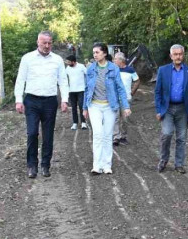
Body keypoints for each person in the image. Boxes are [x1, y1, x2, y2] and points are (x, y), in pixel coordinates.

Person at [14, 31, 69, 179]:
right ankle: (32, 165)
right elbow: (20, 80)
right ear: (38, 42)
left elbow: (63, 80)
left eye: (49, 43)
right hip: (31, 100)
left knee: (48, 135)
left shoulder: (57, 60)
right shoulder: (27, 58)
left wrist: (64, 99)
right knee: (32, 133)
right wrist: (18, 100)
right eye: (44, 43)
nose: (47, 46)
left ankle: (45, 165)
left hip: (50, 101)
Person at [82, 42, 131, 175]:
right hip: (94, 106)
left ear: (104, 53)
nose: (95, 55)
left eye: (97, 52)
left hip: (110, 106)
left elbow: (120, 88)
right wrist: (84, 107)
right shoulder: (91, 68)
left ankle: (107, 165)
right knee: (97, 134)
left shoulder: (113, 68)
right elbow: (86, 89)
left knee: (107, 135)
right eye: (93, 53)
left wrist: (125, 106)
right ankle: (96, 165)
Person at [154, 44, 188, 174]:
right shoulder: (163, 70)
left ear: (183, 55)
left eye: (180, 54)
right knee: (167, 134)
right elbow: (157, 92)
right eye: (175, 54)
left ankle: (179, 164)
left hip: (183, 109)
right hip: (167, 108)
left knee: (181, 138)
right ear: (171, 56)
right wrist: (158, 110)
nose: (178, 57)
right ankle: (163, 160)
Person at [112, 52, 140, 146]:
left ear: (121, 60)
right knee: (115, 118)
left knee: (125, 119)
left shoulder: (130, 70)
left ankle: (123, 137)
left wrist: (132, 92)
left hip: (126, 98)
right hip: (115, 98)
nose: (114, 60)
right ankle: (116, 137)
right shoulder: (113, 70)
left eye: (115, 59)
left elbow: (137, 81)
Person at [65, 54, 88, 130]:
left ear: (73, 61)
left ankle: (83, 122)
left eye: (69, 62)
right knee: (73, 107)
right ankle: (75, 123)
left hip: (81, 90)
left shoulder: (81, 66)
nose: (67, 63)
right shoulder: (67, 68)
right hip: (71, 90)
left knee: (82, 106)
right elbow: (64, 77)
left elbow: (87, 74)